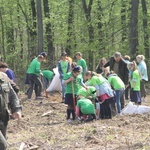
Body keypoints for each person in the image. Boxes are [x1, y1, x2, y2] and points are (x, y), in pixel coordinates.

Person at [0, 72, 22, 149]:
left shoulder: (3, 77)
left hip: (3, 119)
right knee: (2, 145)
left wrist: (16, 109)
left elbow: (12, 95)